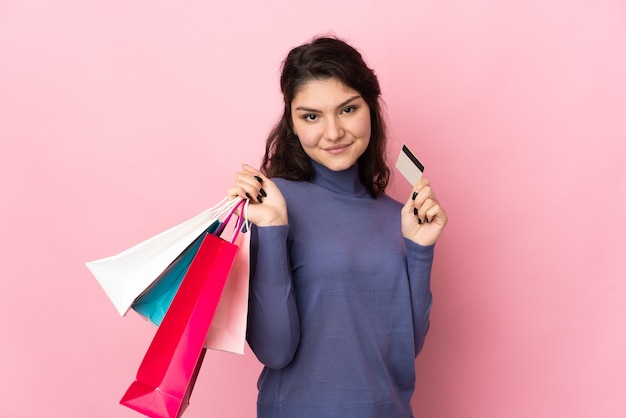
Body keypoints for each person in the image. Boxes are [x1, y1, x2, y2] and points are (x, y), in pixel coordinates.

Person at [227, 35, 447, 418]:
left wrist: (419, 249)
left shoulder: (399, 216)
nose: (332, 133)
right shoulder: (270, 206)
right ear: (292, 123)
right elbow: (275, 350)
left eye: (347, 109)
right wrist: (274, 230)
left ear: (371, 109)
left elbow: (404, 348)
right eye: (311, 116)